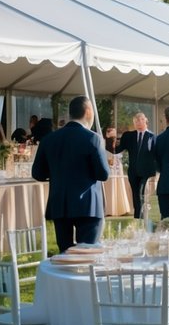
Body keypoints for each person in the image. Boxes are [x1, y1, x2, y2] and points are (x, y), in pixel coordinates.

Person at [32, 95, 110, 251]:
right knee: (87, 253)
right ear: (88, 112)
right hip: (88, 206)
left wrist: (58, 172)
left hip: (59, 203)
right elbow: (103, 174)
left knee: (65, 253)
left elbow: (37, 173)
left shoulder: (49, 139)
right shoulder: (93, 138)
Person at [113, 112, 158, 219]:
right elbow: (116, 150)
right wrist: (111, 139)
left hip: (146, 171)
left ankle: (141, 216)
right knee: (135, 194)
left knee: (140, 192)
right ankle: (138, 217)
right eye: (136, 121)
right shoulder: (129, 136)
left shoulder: (152, 137)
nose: (138, 122)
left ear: (145, 121)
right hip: (133, 171)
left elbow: (157, 154)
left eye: (140, 120)